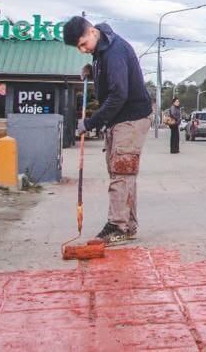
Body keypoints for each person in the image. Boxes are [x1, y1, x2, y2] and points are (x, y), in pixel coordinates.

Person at [63, 16, 153, 245]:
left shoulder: (114, 52)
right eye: (79, 48)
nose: (83, 50)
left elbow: (119, 94)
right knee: (121, 173)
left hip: (131, 118)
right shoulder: (102, 51)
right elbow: (113, 78)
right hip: (120, 119)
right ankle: (127, 225)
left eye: (83, 44)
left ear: (92, 32)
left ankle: (117, 226)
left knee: (121, 172)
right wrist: (93, 71)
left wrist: (91, 123)